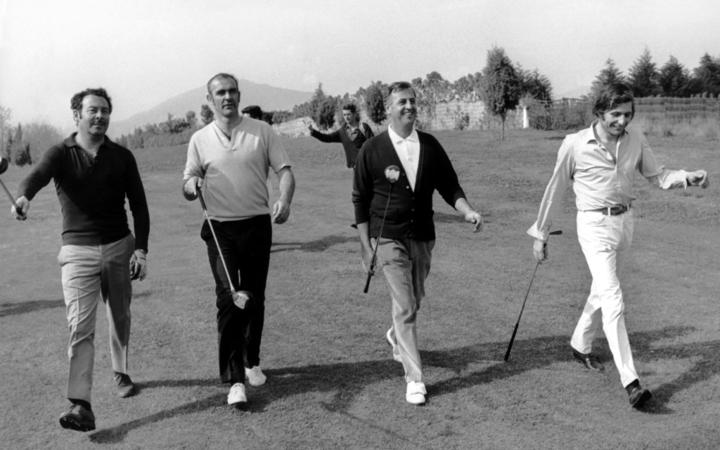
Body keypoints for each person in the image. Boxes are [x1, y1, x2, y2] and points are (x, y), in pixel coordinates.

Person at [527, 82, 709, 409]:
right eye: (615, 114)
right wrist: (541, 233)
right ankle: (631, 381)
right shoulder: (575, 145)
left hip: (625, 223)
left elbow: (659, 175)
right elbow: (555, 190)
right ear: (600, 112)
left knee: (603, 289)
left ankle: (579, 344)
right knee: (613, 298)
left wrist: (687, 177)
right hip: (593, 225)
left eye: (627, 114)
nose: (622, 121)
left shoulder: (635, 139)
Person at [11, 87, 150, 431]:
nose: (100, 116)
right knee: (80, 326)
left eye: (105, 111)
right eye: (93, 110)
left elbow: (140, 206)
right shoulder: (60, 152)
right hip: (76, 252)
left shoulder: (121, 156)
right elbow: (38, 174)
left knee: (120, 316)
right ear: (77, 115)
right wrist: (24, 197)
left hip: (119, 246)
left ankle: (120, 371)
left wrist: (141, 250)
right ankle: (80, 404)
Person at [352, 81, 482, 405]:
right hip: (387, 238)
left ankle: (396, 335)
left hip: (423, 236)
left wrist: (466, 211)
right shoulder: (372, 149)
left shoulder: (430, 145)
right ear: (388, 110)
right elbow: (359, 200)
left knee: (415, 298)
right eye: (402, 103)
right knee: (407, 305)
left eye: (412, 101)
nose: (409, 107)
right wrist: (366, 247)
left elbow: (450, 185)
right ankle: (414, 378)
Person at [182, 73, 295, 407]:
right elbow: (188, 181)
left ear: (239, 95)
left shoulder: (262, 131)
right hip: (220, 229)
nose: (227, 97)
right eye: (220, 93)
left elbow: (285, 171)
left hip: (257, 225)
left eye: (232, 91)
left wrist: (284, 200)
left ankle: (252, 360)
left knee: (255, 297)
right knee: (231, 298)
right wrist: (192, 186)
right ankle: (234, 381)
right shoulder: (199, 139)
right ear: (210, 100)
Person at [309, 103, 374, 168]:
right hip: (354, 169)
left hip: (367, 167)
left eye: (348, 114)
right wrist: (313, 132)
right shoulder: (342, 132)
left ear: (354, 114)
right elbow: (327, 138)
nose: (346, 117)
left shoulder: (363, 127)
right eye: (344, 115)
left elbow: (374, 146)